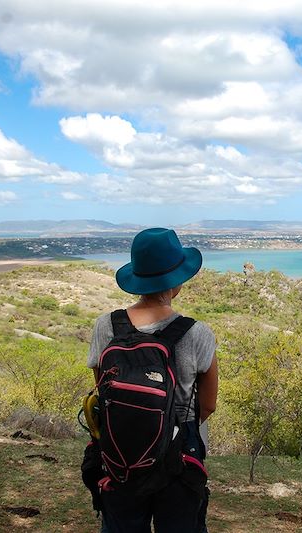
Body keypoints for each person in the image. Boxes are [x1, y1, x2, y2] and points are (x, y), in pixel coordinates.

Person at [87, 227, 218, 533]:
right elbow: (208, 406)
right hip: (180, 453)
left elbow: (101, 390)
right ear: (178, 280)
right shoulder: (197, 332)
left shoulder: (106, 326)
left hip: (120, 451)